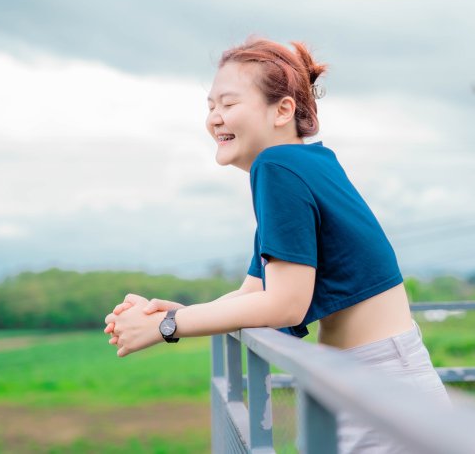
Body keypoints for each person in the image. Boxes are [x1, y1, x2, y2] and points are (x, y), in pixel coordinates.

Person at [103, 35, 451, 453]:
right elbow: (254, 293)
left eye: (229, 104)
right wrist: (177, 312)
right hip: (371, 376)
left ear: (283, 109)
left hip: (380, 381)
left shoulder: (277, 167)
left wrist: (166, 327)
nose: (215, 117)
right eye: (210, 106)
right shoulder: (304, 163)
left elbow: (285, 306)